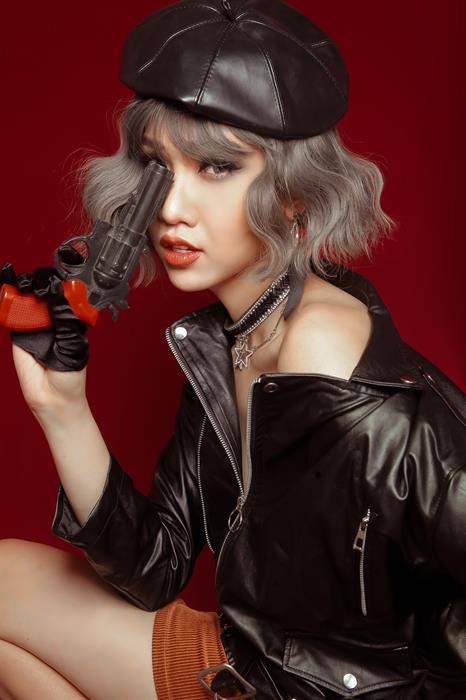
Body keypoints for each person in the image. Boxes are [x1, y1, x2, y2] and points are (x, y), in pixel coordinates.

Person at [0, 1, 465, 698]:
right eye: (159, 166)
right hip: (247, 662)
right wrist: (60, 406)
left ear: (293, 192)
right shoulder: (231, 339)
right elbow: (154, 567)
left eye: (216, 167)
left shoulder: (322, 350)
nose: (170, 208)